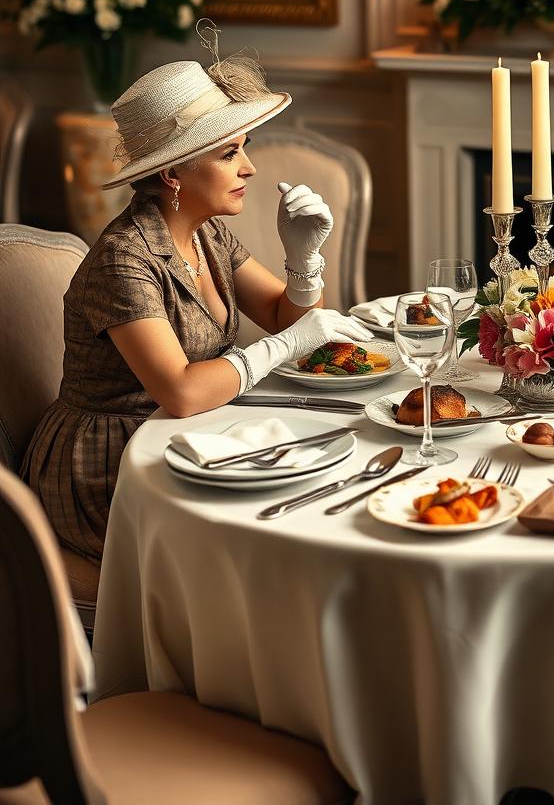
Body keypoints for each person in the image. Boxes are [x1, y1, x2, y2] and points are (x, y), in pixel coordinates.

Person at [20, 29, 373, 562]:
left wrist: (303, 261)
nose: (249, 168)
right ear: (171, 172)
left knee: (321, 485)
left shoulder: (206, 232)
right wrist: (286, 344)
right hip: (110, 466)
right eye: (230, 154)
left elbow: (283, 316)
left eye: (243, 151)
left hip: (190, 434)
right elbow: (181, 392)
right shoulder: (124, 259)